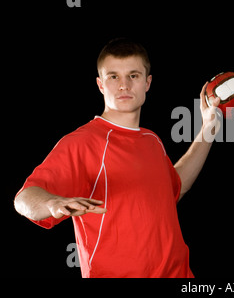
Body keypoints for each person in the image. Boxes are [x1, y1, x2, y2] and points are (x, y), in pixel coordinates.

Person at [14, 38, 221, 278]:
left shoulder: (152, 140)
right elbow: (24, 198)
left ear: (147, 82)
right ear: (100, 85)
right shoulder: (83, 142)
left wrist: (209, 127)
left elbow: (175, 188)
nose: (124, 85)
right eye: (114, 77)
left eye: (133, 75)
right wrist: (52, 203)